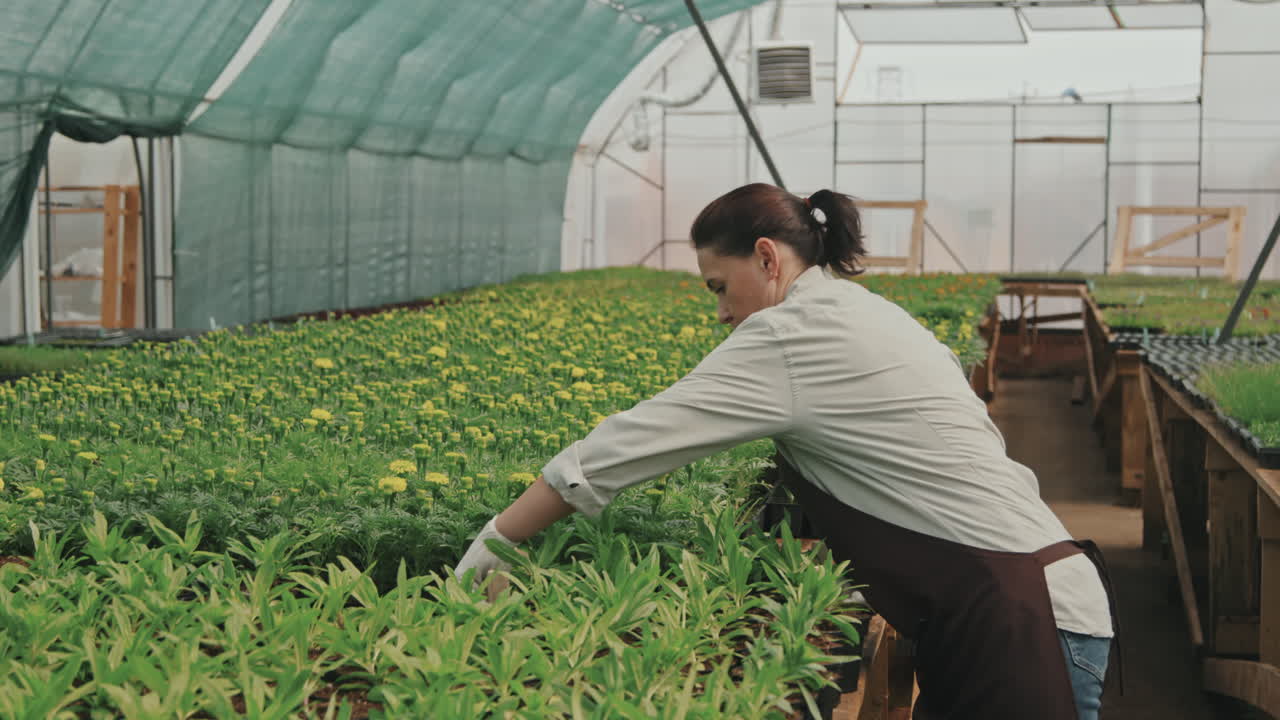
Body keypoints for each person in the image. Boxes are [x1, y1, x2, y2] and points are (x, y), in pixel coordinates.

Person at [454, 183, 1116, 720]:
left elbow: (627, 444)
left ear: (767, 258)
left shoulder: (793, 332)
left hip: (1020, 622)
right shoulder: (861, 311)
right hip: (1011, 608)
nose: (719, 311)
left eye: (718, 285)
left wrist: (497, 540)